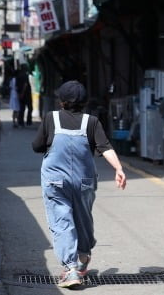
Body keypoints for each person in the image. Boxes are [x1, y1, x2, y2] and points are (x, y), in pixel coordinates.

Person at [32, 80, 127, 288]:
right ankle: (83, 256)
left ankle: (71, 269)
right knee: (83, 219)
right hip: (84, 181)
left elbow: (37, 146)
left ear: (61, 101)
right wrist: (118, 169)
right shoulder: (91, 122)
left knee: (61, 221)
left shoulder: (51, 119)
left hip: (55, 181)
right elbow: (105, 147)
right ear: (84, 102)